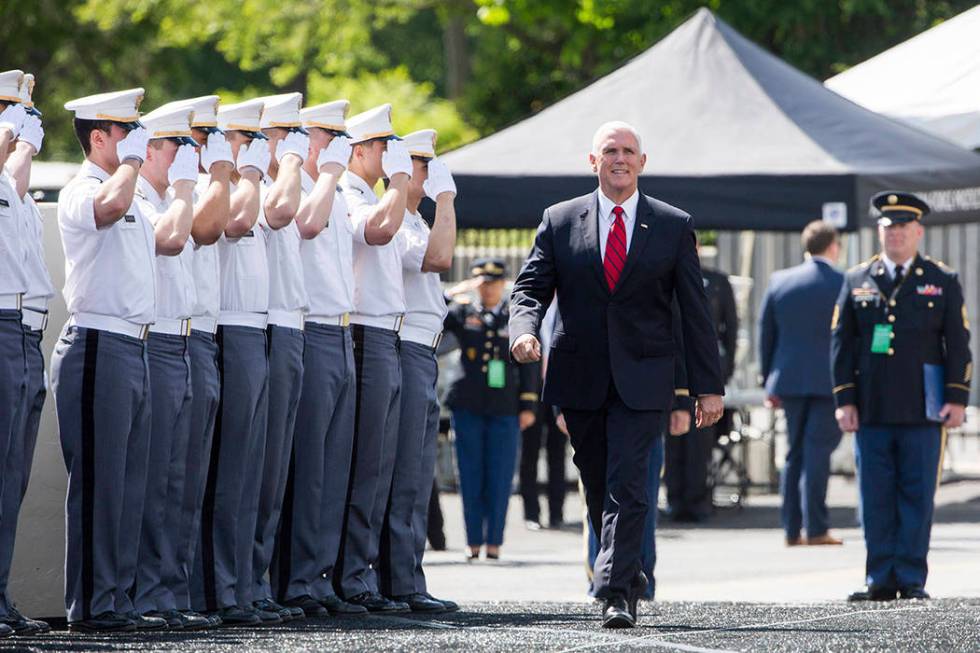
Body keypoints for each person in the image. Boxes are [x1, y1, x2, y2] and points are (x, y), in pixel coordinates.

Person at [509, 121, 724, 628]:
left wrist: (706, 387)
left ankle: (616, 592)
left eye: (628, 151)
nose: (619, 159)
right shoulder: (560, 220)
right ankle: (624, 572)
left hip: (643, 379)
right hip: (579, 376)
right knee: (599, 483)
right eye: (610, 151)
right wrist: (524, 330)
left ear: (643, 163)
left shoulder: (672, 224)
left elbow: (694, 312)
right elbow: (529, 288)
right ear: (593, 161)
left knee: (630, 485)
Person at [53, 87, 168, 632]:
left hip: (134, 344)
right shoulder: (86, 189)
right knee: (100, 483)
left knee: (128, 484)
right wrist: (133, 163)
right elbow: (110, 208)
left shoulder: (132, 190)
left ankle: (118, 597)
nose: (136, 143)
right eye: (127, 132)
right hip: (98, 342)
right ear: (98, 138)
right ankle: (93, 605)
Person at [832, 191, 971, 602]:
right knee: (874, 495)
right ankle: (879, 576)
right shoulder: (857, 279)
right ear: (879, 231)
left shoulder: (941, 280)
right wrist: (845, 400)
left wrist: (957, 398)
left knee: (916, 493)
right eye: (888, 227)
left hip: (923, 409)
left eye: (903, 227)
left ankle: (911, 577)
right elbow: (841, 345)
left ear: (918, 232)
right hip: (872, 408)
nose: (896, 234)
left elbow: (958, 344)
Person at [271, 99, 365, 617]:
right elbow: (304, 225)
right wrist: (328, 173)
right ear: (306, 141)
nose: (336, 147)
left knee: (332, 466)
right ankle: (298, 579)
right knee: (306, 466)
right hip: (308, 330)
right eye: (327, 137)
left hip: (341, 329)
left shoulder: (333, 189)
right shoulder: (305, 188)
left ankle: (320, 574)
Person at [191, 97, 272, 626]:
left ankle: (239, 583)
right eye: (245, 138)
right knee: (224, 471)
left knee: (248, 474)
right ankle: (217, 588)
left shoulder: (242, 181)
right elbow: (238, 225)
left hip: (255, 325)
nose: (256, 148)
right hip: (223, 325)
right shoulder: (212, 186)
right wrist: (242, 171)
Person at [129, 102, 209, 630]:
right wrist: (187, 189)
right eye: (177, 147)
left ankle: (167, 590)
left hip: (180, 341)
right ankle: (144, 593)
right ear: (150, 149)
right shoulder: (138, 197)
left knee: (178, 480)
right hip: (150, 341)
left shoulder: (171, 196)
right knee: (151, 478)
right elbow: (171, 240)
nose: (188, 157)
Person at [335, 103, 413, 613]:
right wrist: (401, 182)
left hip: (387, 333)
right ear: (359, 150)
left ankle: (362, 572)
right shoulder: (348, 192)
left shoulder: (372, 193)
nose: (391, 155)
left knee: (379, 466)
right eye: (384, 147)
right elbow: (379, 232)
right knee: (363, 464)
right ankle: (349, 576)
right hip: (364, 333)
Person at [375, 129, 458, 612]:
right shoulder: (404, 223)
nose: (431, 175)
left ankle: (408, 576)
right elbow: (440, 259)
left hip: (421, 352)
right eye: (424, 166)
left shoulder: (413, 221)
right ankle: (398, 580)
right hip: (404, 348)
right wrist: (446, 200)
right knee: (404, 471)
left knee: (415, 472)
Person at [173, 94, 234, 629]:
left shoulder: (215, 185)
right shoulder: (179, 192)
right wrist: (217, 171)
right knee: (170, 477)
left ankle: (181, 591)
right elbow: (207, 229)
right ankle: (169, 593)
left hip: (203, 333)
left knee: (193, 477)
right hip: (173, 337)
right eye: (193, 140)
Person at [248, 92, 308, 624]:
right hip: (259, 327)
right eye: (281, 134)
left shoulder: (284, 182)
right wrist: (290, 160)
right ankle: (242, 581)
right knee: (253, 468)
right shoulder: (266, 189)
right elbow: (284, 214)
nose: (293, 145)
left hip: (289, 325)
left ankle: (256, 580)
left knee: (273, 473)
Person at [0, 71, 52, 636]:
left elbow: (12, 178)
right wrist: (11, 130)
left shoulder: (12, 192)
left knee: (11, 478)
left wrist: (25, 140)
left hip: (21, 332)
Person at [444, 259, 540, 562]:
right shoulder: (463, 313)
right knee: (470, 474)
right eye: (482, 283)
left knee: (500, 476)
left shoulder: (514, 317)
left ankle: (495, 542)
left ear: (503, 284)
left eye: (493, 283)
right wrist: (456, 291)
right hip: (468, 403)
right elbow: (435, 311)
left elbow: (529, 364)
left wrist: (528, 403)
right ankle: (473, 542)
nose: (488, 288)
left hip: (504, 407)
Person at [759, 220, 845, 546]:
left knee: (794, 454)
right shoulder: (843, 282)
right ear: (833, 246)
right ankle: (817, 527)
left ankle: (791, 530)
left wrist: (769, 380)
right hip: (830, 380)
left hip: (789, 379)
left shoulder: (780, 281)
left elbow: (766, 334)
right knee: (817, 454)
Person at [664, 243, 738, 522]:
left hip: (703, 375)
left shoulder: (717, 282)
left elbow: (729, 331)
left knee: (700, 443)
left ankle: (697, 499)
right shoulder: (664, 280)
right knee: (672, 441)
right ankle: (674, 498)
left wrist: (722, 374)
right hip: (670, 374)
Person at [520, 300, 567, 531]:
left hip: (560, 389)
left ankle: (557, 512)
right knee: (529, 454)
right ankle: (531, 513)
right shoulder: (534, 305)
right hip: (533, 391)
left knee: (557, 454)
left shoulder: (568, 302)